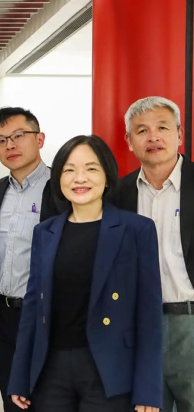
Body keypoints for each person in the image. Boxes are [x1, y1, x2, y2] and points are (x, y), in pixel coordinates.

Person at [8, 135, 163, 412]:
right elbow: (33, 308)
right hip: (51, 369)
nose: (80, 178)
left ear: (107, 175)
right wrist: (19, 377)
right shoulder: (45, 232)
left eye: (91, 169)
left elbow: (149, 312)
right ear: (59, 178)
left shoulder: (137, 230)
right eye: (69, 170)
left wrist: (148, 390)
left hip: (110, 369)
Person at [111, 96, 194, 412]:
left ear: (179, 135)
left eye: (162, 127)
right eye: (142, 130)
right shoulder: (117, 195)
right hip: (139, 327)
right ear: (129, 141)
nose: (153, 137)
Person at [0, 107, 59, 411]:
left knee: (50, 399)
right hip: (5, 316)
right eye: (1, 140)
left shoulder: (60, 189)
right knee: (13, 402)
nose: (10, 145)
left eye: (18, 136)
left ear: (40, 139)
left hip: (49, 315)